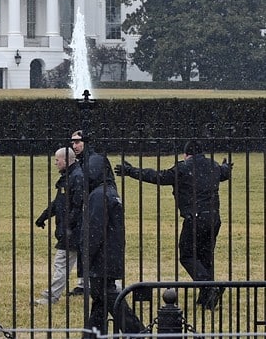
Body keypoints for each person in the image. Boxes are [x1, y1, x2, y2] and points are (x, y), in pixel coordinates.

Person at [114, 140, 233, 310]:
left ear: (186, 155)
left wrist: (131, 171)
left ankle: (209, 286)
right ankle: (207, 298)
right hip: (214, 218)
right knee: (205, 257)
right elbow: (224, 173)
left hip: (195, 218)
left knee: (187, 255)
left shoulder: (183, 168)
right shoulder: (212, 166)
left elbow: (158, 177)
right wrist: (227, 167)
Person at [83, 151, 144, 334]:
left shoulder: (98, 195)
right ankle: (93, 334)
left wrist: (86, 255)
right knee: (101, 301)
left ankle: (136, 331)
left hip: (101, 257)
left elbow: (94, 230)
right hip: (110, 254)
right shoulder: (110, 192)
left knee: (108, 297)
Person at [33, 147, 84, 305]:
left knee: (61, 263)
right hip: (73, 229)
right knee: (89, 260)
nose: (55, 163)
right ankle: (112, 288)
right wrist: (44, 216)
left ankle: (51, 296)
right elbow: (58, 203)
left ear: (66, 160)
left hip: (73, 230)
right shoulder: (70, 177)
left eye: (57, 160)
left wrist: (67, 226)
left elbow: (77, 206)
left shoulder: (75, 178)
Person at [67, 130, 87, 297]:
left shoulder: (92, 161)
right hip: (81, 211)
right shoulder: (78, 163)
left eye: (78, 142)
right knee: (81, 245)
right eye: (73, 143)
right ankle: (82, 282)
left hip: (91, 209)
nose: (75, 146)